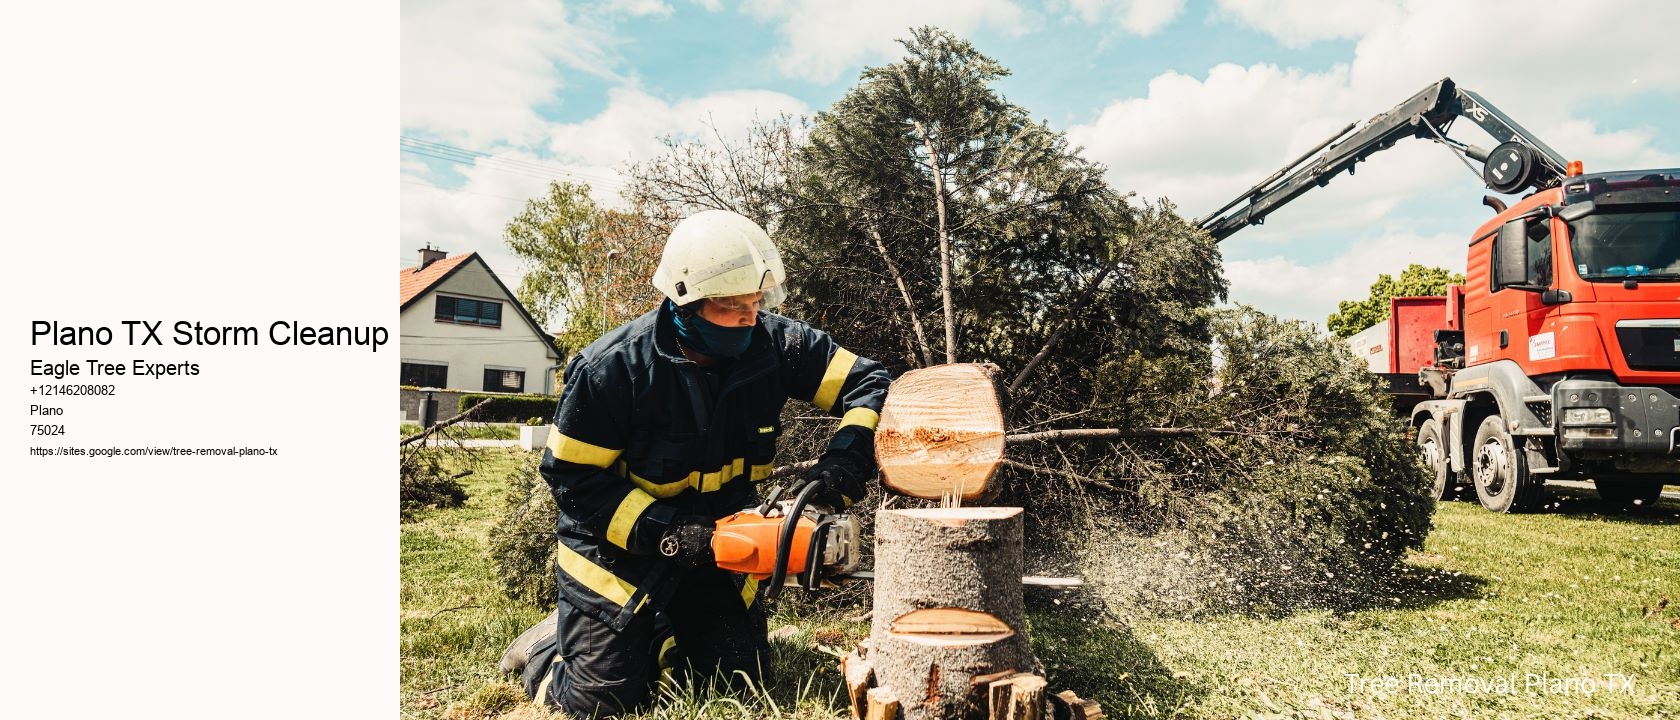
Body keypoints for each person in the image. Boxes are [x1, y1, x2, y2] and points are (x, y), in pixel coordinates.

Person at [503, 209, 891, 718]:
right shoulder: (613, 370)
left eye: (756, 303)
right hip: (615, 549)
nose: (750, 318)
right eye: (732, 308)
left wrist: (845, 462)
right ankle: (547, 651)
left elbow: (870, 383)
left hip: (720, 538)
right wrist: (669, 534)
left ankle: (658, 634)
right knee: (599, 704)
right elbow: (573, 479)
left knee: (740, 685)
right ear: (685, 302)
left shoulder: (777, 345)